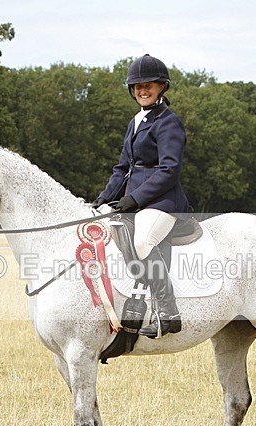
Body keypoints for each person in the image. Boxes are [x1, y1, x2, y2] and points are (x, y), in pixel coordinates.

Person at [91, 54, 191, 338]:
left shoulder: (169, 122)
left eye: (148, 85)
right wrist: (101, 200)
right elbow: (122, 168)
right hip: (134, 199)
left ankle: (168, 311)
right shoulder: (135, 121)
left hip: (162, 201)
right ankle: (131, 302)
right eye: (137, 87)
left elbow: (169, 169)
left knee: (144, 240)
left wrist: (134, 199)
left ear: (161, 87)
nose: (142, 91)